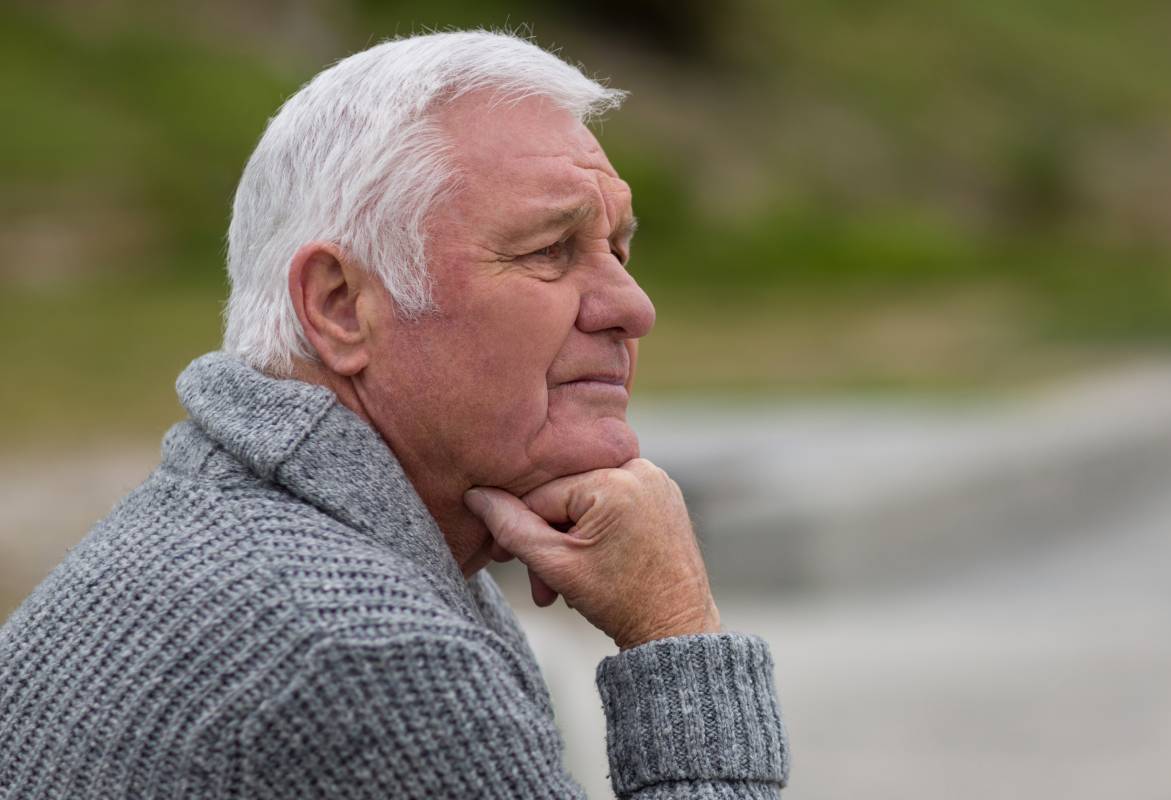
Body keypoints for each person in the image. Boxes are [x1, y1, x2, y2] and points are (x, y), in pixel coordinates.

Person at [0, 30, 788, 799]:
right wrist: (676, 629)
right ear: (340, 306)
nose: (633, 307)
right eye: (549, 251)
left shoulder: (225, 524)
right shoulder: (362, 650)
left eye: (618, 250)